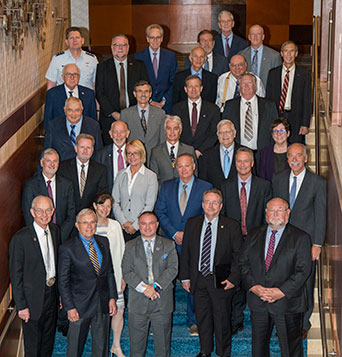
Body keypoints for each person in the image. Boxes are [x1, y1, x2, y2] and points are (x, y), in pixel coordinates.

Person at [239, 198, 312, 356]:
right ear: (266, 213)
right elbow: (243, 264)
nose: (276, 214)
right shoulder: (253, 234)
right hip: (258, 301)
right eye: (272, 210)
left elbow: (303, 271)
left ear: (287, 214)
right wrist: (254, 287)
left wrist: (281, 291)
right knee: (258, 350)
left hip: (288, 303)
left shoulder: (301, 238)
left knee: (290, 350)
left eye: (280, 210)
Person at [272, 143, 326, 337]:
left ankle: (303, 324)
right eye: (290, 156)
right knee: (283, 281)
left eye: (298, 156)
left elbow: (321, 215)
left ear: (305, 158)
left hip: (307, 243)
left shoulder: (317, 182)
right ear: (287, 159)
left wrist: (317, 243)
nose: (294, 159)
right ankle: (284, 322)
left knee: (305, 282)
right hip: (282, 240)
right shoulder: (278, 180)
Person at [180, 189, 243, 357]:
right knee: (203, 318)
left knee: (222, 320)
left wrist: (233, 279)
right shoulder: (192, 223)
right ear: (202, 205)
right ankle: (205, 351)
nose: (211, 206)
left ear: (221, 206)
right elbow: (186, 252)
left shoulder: (231, 225)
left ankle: (223, 353)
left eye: (215, 202)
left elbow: (239, 256)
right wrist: (185, 277)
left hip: (221, 281)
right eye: (207, 202)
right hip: (199, 279)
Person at [155, 153, 213, 335]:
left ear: (194, 166)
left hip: (195, 242)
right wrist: (173, 232)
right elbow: (160, 211)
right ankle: (159, 319)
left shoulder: (206, 187)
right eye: (180, 166)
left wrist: (187, 234)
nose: (183, 169)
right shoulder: (167, 186)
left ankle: (193, 320)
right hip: (169, 241)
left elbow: (209, 214)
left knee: (192, 282)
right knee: (163, 279)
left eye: (187, 165)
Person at [221, 147, 271, 334]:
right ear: (235, 164)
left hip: (256, 241)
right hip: (233, 242)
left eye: (245, 161)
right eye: (239, 161)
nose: (242, 165)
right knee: (234, 281)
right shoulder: (225, 186)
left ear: (252, 163)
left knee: (258, 279)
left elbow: (267, 216)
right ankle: (236, 321)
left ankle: (263, 322)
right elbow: (223, 216)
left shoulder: (264, 186)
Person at [58, 208, 117, 357]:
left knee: (101, 347)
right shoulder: (67, 248)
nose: (89, 226)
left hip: (102, 303)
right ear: (77, 225)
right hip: (79, 306)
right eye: (85, 223)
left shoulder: (103, 242)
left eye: (92, 222)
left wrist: (112, 297)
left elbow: (109, 272)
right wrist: (69, 307)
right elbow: (63, 281)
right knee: (74, 348)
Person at [9, 195, 60, 356]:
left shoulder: (55, 230)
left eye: (48, 210)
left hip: (51, 294)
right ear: (32, 212)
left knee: (48, 340)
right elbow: (16, 276)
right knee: (33, 345)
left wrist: (59, 295)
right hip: (32, 301)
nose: (44, 215)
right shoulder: (20, 238)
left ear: (53, 211)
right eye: (39, 211)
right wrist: (21, 305)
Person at [122, 211, 178, 357]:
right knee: (136, 349)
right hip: (138, 303)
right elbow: (126, 271)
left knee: (163, 348)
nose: (147, 227)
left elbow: (172, 269)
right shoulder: (130, 246)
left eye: (151, 223)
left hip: (162, 301)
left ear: (157, 225)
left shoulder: (169, 244)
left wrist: (154, 287)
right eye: (143, 223)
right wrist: (145, 289)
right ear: (139, 226)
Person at [95, 34, 148, 145]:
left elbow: (144, 91)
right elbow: (100, 93)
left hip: (135, 117)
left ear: (128, 47)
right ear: (111, 47)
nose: (120, 48)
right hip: (110, 118)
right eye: (116, 45)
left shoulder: (139, 66)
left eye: (123, 45)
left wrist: (132, 113)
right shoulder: (102, 67)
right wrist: (114, 113)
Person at [93, 193, 126, 357]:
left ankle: (116, 345)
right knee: (98, 312)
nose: (105, 209)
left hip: (115, 275)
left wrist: (123, 276)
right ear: (95, 206)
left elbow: (122, 251)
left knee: (119, 310)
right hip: (94, 278)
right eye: (101, 205)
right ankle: (100, 346)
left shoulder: (115, 225)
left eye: (108, 206)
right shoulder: (89, 225)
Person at [22, 148, 75, 243]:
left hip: (62, 238)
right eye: (48, 161)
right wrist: (41, 236)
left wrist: (59, 236)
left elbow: (71, 214)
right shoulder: (30, 185)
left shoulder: (67, 184)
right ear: (42, 163)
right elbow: (28, 214)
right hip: (39, 238)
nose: (52, 164)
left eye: (55, 161)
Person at [266, 41, 311, 144]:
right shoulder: (273, 73)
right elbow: (268, 98)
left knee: (295, 147)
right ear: (281, 53)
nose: (289, 54)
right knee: (277, 146)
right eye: (286, 51)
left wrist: (305, 124)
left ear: (296, 54)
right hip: (277, 115)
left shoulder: (304, 74)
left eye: (292, 51)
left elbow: (307, 100)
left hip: (296, 118)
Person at [113, 140, 158, 242]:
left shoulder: (151, 176)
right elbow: (114, 201)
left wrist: (135, 225)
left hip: (142, 228)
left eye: (135, 153)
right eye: (129, 153)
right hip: (122, 227)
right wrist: (124, 222)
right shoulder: (121, 175)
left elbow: (149, 205)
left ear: (141, 154)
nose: (132, 156)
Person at [222, 73, 277, 153]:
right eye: (243, 83)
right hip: (238, 154)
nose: (246, 86)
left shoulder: (269, 105)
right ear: (239, 87)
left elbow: (275, 129)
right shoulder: (230, 106)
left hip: (263, 153)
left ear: (255, 86)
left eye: (249, 83)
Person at [171, 75, 221, 159]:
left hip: (206, 154)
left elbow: (214, 134)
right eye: (190, 86)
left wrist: (199, 151)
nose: (193, 89)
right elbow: (174, 132)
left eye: (196, 86)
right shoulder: (176, 109)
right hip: (182, 154)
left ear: (201, 88)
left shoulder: (213, 109)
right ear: (185, 89)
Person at [58, 134, 108, 214]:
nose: (85, 151)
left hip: (90, 218)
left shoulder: (100, 170)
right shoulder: (62, 168)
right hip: (67, 216)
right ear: (76, 148)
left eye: (88, 147)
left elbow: (101, 196)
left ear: (92, 150)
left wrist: (88, 215)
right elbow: (60, 195)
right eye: (82, 147)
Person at [134, 24, 178, 114]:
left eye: (158, 37)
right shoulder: (138, 57)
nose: (155, 40)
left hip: (166, 105)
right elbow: (136, 82)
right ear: (147, 39)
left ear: (162, 39)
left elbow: (174, 81)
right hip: (145, 104)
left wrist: (164, 100)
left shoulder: (171, 56)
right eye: (152, 37)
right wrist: (149, 100)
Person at [43, 97, 103, 162]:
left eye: (77, 110)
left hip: (87, 169)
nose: (73, 114)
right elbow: (46, 152)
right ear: (64, 110)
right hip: (62, 168)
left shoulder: (93, 126)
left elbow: (99, 152)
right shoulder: (53, 126)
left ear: (82, 109)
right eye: (70, 110)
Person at [120, 80, 165, 162]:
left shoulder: (160, 114)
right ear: (134, 94)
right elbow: (123, 140)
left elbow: (162, 139)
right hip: (133, 159)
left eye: (146, 91)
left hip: (154, 158)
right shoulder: (125, 114)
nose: (143, 94)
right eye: (140, 91)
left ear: (150, 94)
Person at [44, 63, 97, 129]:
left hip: (83, 136)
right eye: (68, 74)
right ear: (63, 77)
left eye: (75, 74)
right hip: (60, 135)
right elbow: (48, 121)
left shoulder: (89, 94)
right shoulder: (52, 94)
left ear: (79, 77)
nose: (72, 77)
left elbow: (93, 121)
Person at [150, 115, 197, 186]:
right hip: (164, 193)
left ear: (180, 131)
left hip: (185, 192)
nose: (172, 132)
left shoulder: (189, 150)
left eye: (175, 128)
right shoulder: (156, 151)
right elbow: (153, 178)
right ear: (165, 130)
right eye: (169, 128)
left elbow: (194, 175)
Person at [199, 119, 240, 188]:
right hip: (215, 196)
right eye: (221, 132)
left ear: (234, 133)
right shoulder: (207, 155)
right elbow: (203, 182)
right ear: (217, 135)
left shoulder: (245, 153)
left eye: (228, 132)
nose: (224, 135)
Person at [94, 120, 130, 194]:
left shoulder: (135, 153)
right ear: (110, 134)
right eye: (115, 132)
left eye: (122, 132)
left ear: (127, 133)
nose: (118, 135)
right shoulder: (101, 154)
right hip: (109, 198)